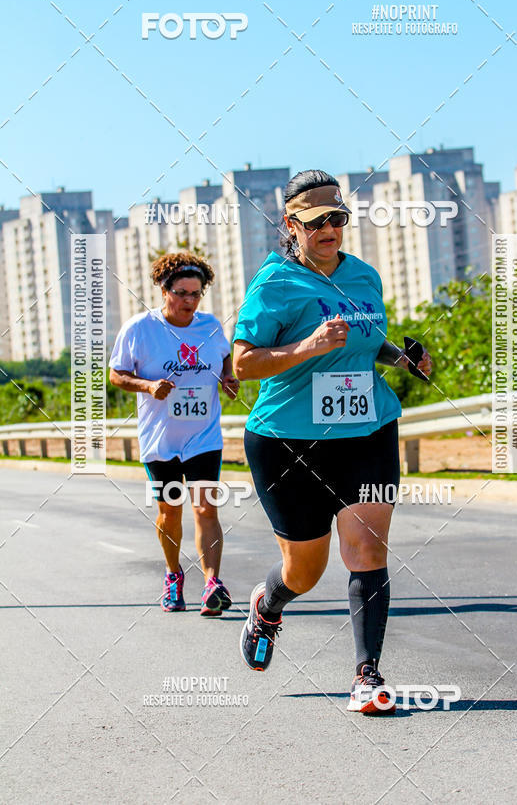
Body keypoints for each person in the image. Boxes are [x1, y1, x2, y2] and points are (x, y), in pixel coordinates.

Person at [233, 170, 432, 714]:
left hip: (367, 429)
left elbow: (366, 341)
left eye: (338, 218)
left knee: (366, 547)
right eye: (317, 220)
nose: (330, 229)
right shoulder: (274, 284)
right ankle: (268, 604)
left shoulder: (364, 276)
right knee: (305, 569)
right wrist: (307, 346)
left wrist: (402, 358)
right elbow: (243, 362)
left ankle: (367, 675)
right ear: (291, 224)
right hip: (288, 440)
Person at [109, 251, 240, 615]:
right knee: (170, 511)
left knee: (206, 508)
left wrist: (227, 377)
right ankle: (173, 574)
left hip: (203, 437)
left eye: (196, 294)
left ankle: (212, 583)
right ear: (164, 290)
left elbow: (224, 357)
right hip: (161, 440)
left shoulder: (209, 326)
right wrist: (148, 386)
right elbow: (116, 374)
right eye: (181, 293)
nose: (189, 301)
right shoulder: (140, 329)